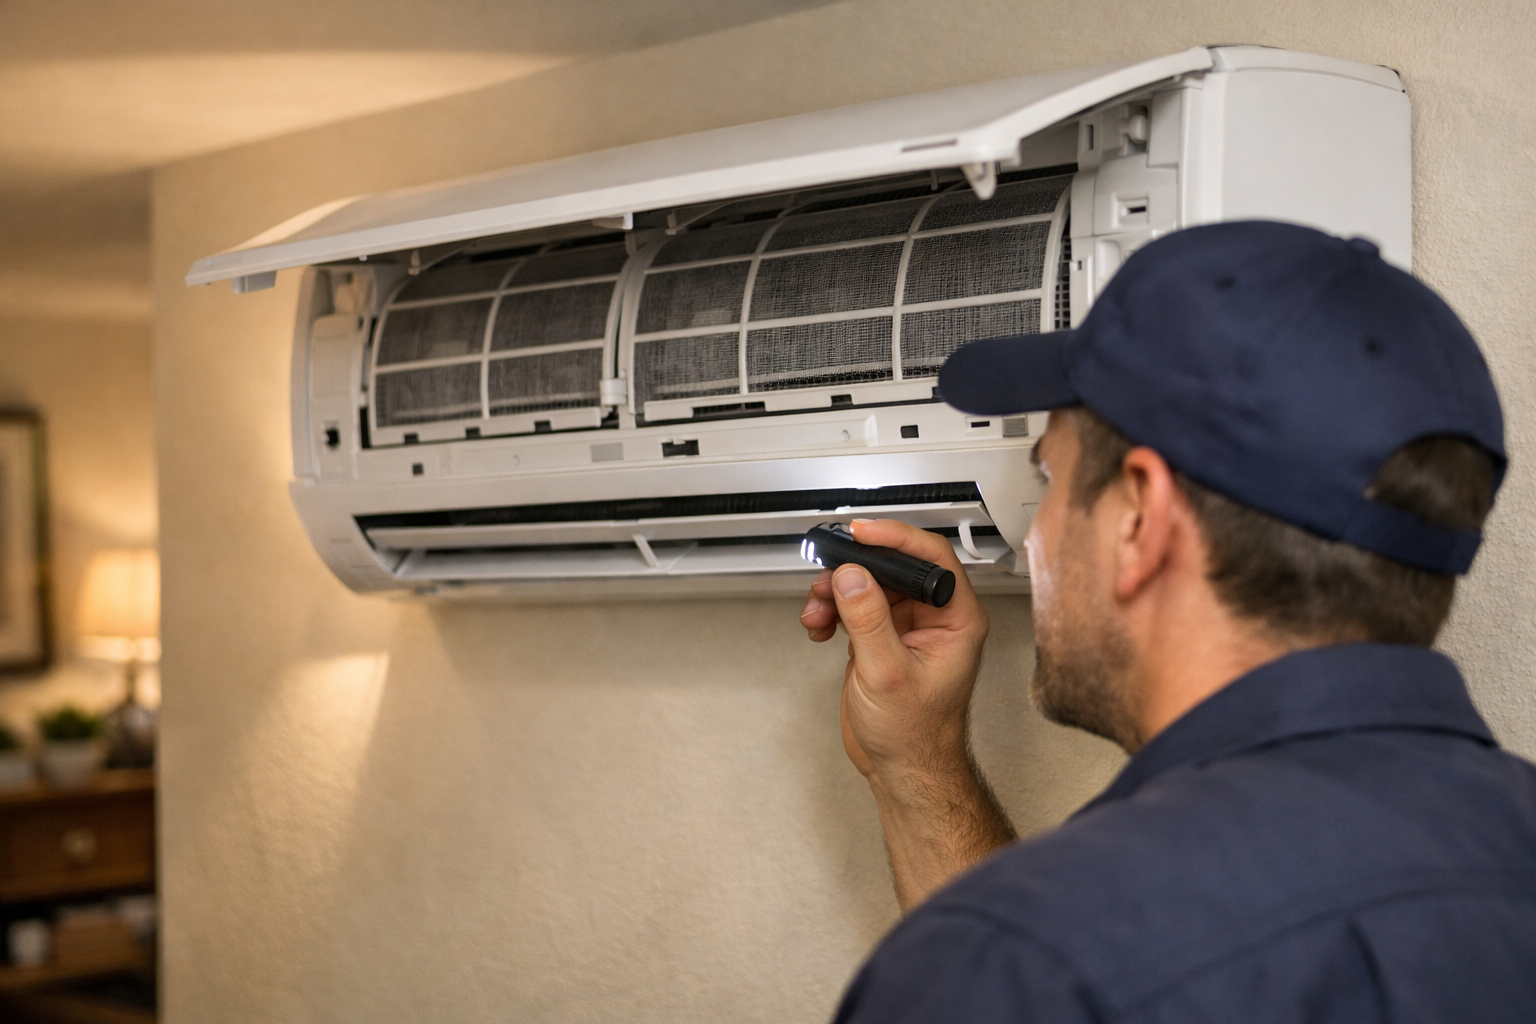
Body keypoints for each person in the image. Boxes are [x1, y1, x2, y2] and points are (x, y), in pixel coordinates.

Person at [799, 221, 1536, 1021]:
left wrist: (975, 947)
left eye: (1049, 476)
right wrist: (917, 766)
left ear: (1141, 516)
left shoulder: (1018, 959)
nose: (1036, 534)